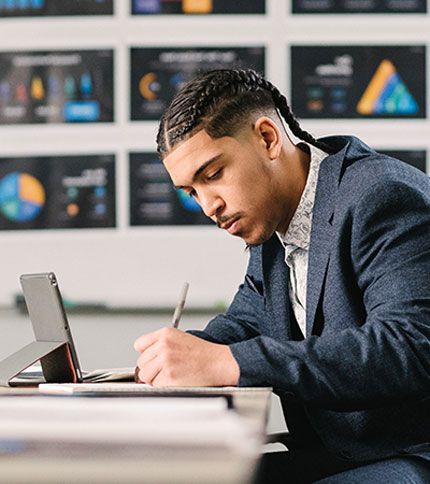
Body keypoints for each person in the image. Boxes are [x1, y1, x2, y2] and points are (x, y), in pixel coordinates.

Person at [133, 68, 430, 483]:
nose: (207, 207)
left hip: (410, 453)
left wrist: (229, 363)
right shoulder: (272, 225)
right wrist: (178, 355)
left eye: (213, 175)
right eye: (192, 191)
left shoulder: (381, 196)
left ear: (268, 138)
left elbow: (409, 349)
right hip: (337, 453)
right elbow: (243, 325)